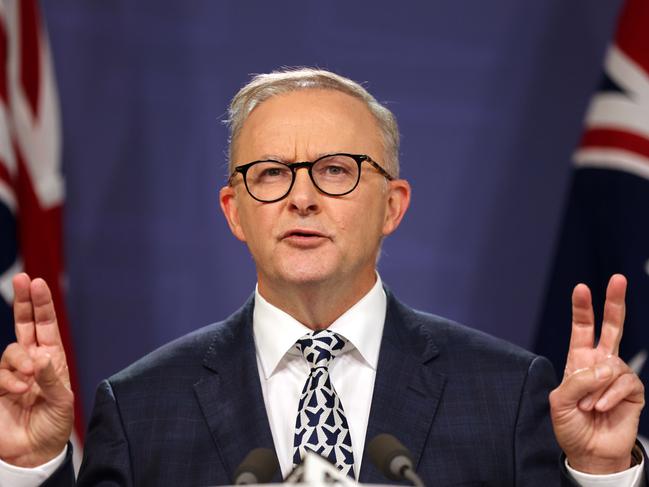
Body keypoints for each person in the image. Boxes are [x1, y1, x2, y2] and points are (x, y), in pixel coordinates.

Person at [0, 68, 645, 486]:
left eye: (336, 170)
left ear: (393, 205)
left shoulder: (506, 395)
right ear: (235, 212)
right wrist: (30, 469)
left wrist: (602, 473)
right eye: (272, 173)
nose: (301, 199)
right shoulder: (141, 409)